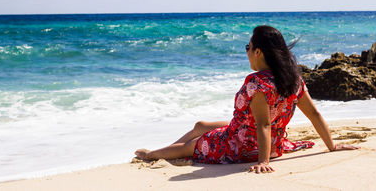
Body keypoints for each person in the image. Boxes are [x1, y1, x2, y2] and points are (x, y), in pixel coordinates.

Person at [135, 25, 358, 173]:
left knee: (193, 146)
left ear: (259, 52)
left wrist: (263, 162)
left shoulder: (257, 83)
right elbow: (314, 114)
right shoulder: (294, 79)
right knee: (200, 126)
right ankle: (169, 147)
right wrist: (332, 145)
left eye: (248, 47)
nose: (247, 52)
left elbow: (264, 124)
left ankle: (152, 154)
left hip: (241, 146)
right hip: (271, 143)